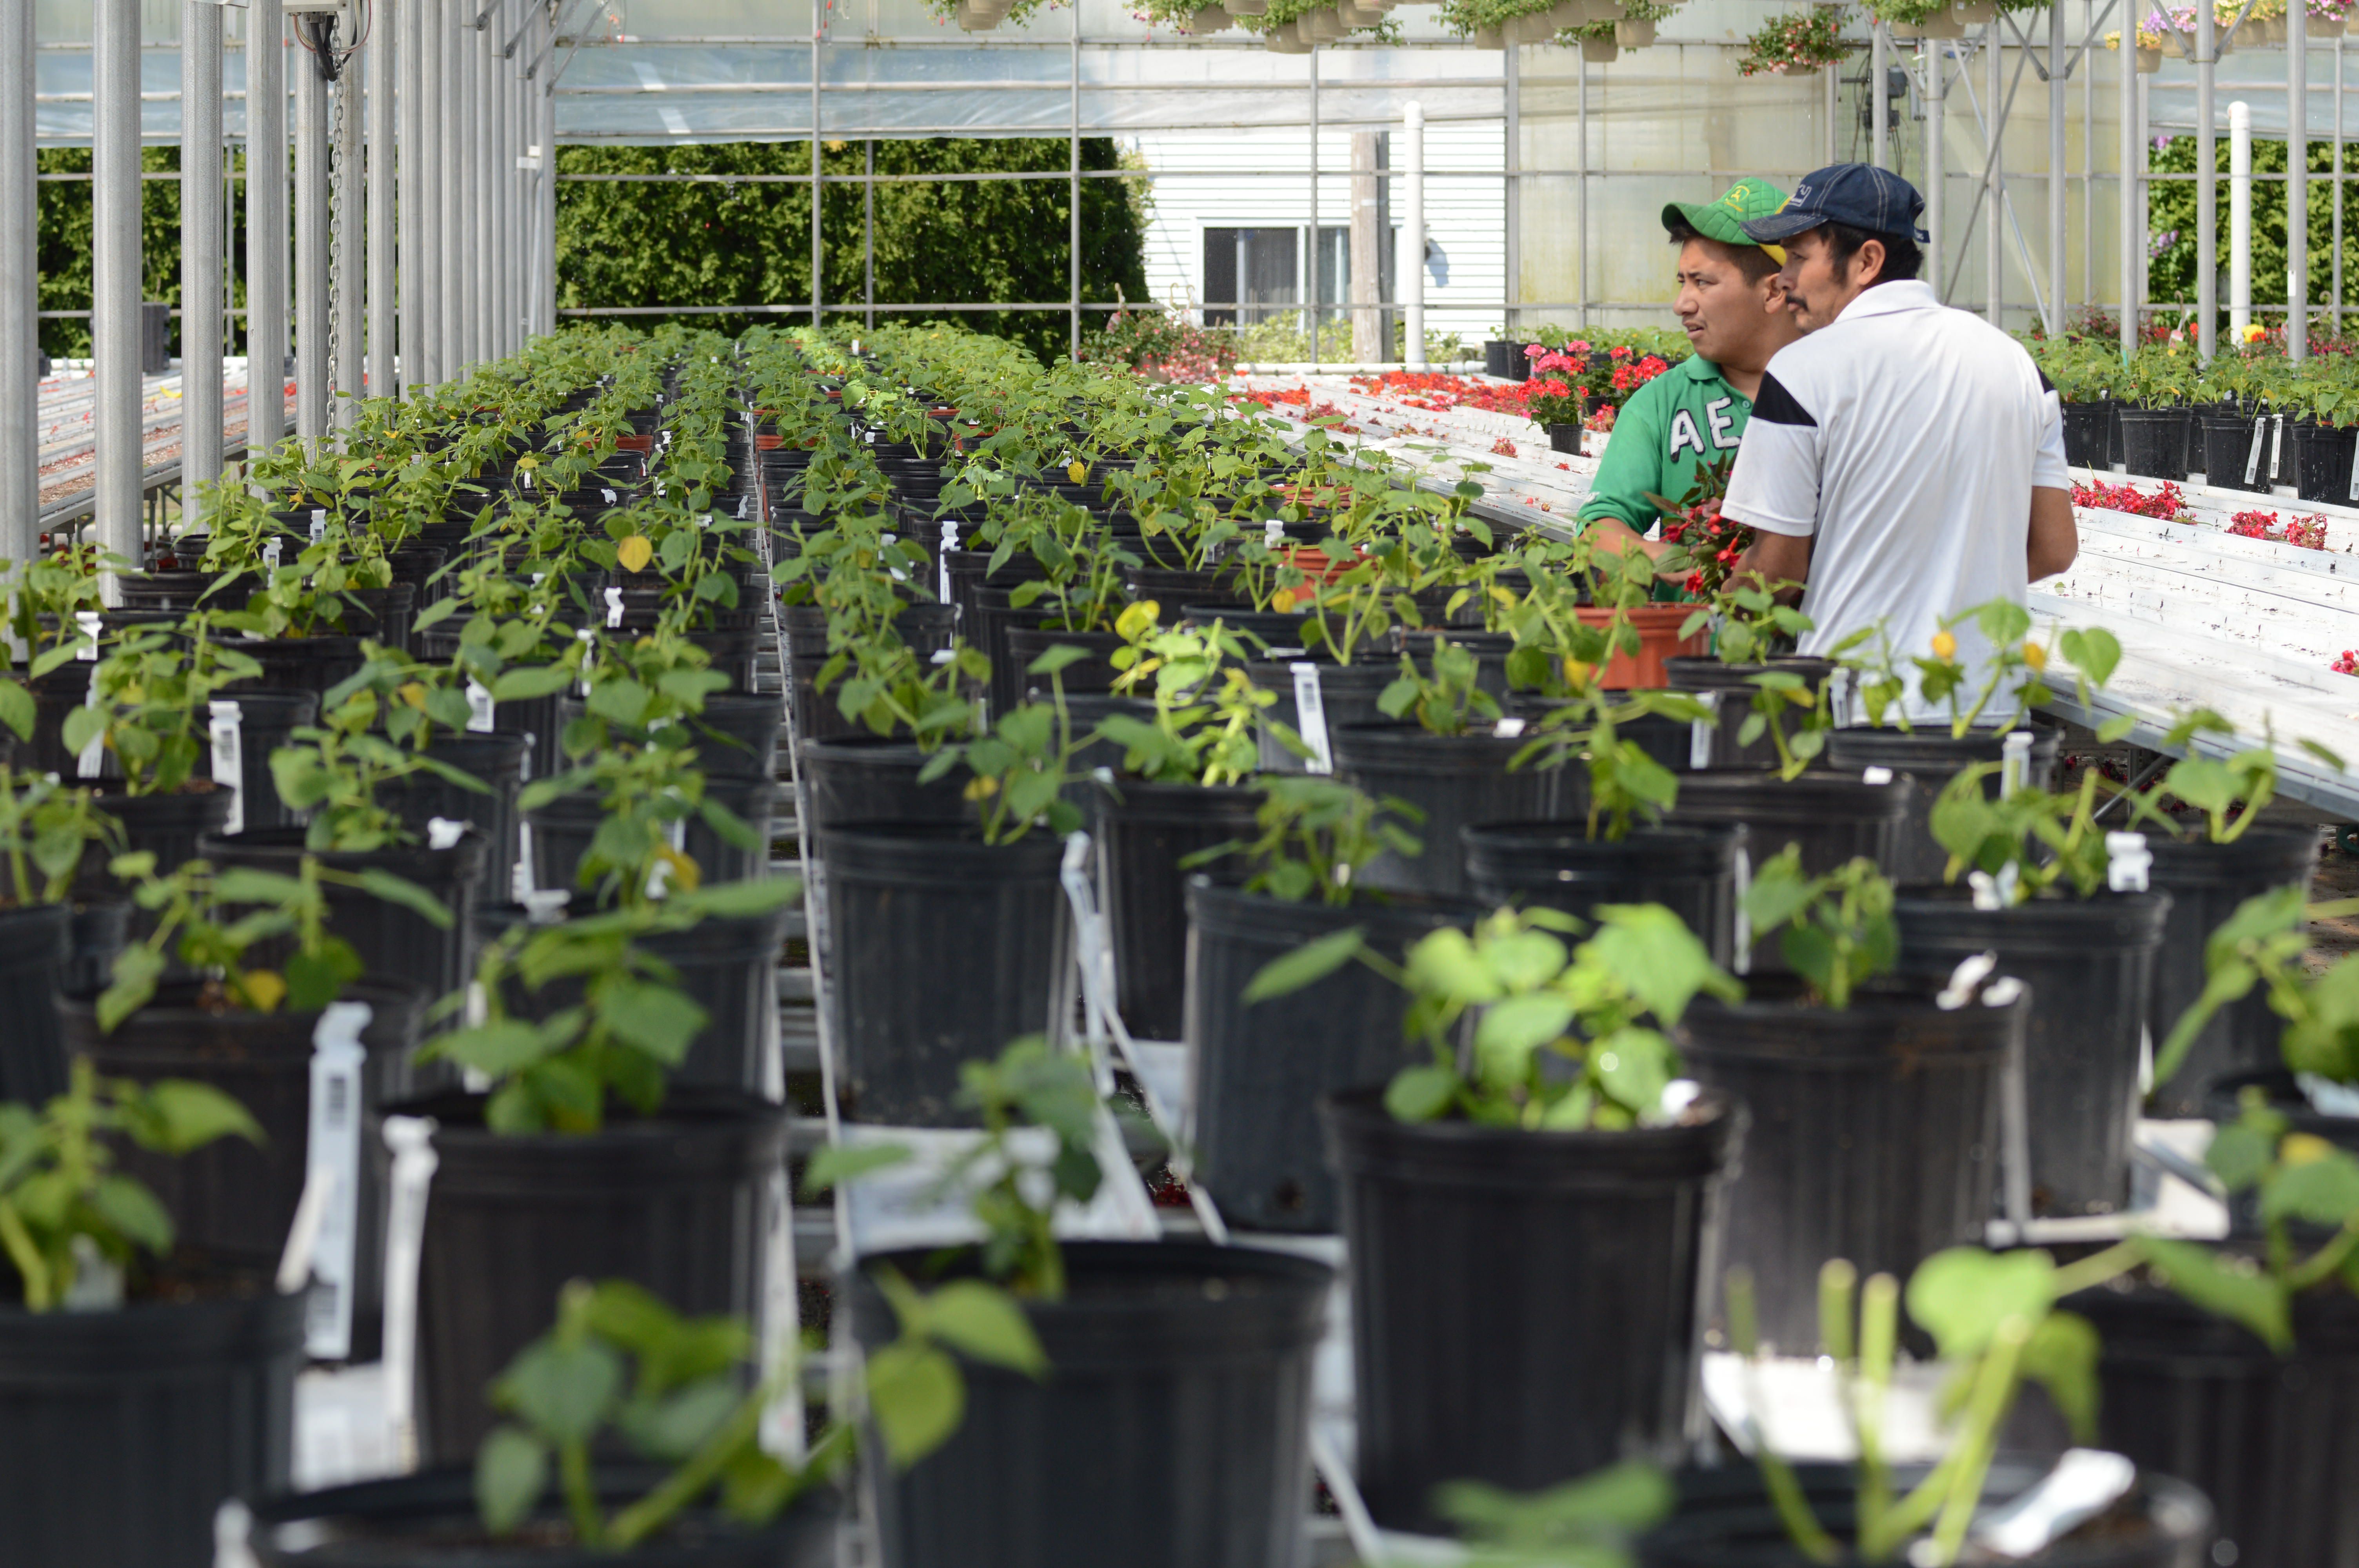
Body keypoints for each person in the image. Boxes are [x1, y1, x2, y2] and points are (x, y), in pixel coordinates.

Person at [1719, 163, 2077, 706]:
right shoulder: (2018, 366)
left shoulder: (1802, 373)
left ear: (1867, 261)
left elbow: (1778, 575)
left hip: (1860, 709)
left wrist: (1720, 611)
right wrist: (1951, 575)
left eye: (1798, 256)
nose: (1782, 279)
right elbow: (2054, 549)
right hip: (1988, 707)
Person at [1575, 176, 1803, 590]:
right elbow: (1597, 534)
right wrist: (1698, 564)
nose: (1682, 304)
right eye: (1682, 282)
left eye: (1703, 282)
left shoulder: (1832, 391)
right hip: (1693, 651)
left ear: (1773, 291)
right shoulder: (1660, 404)